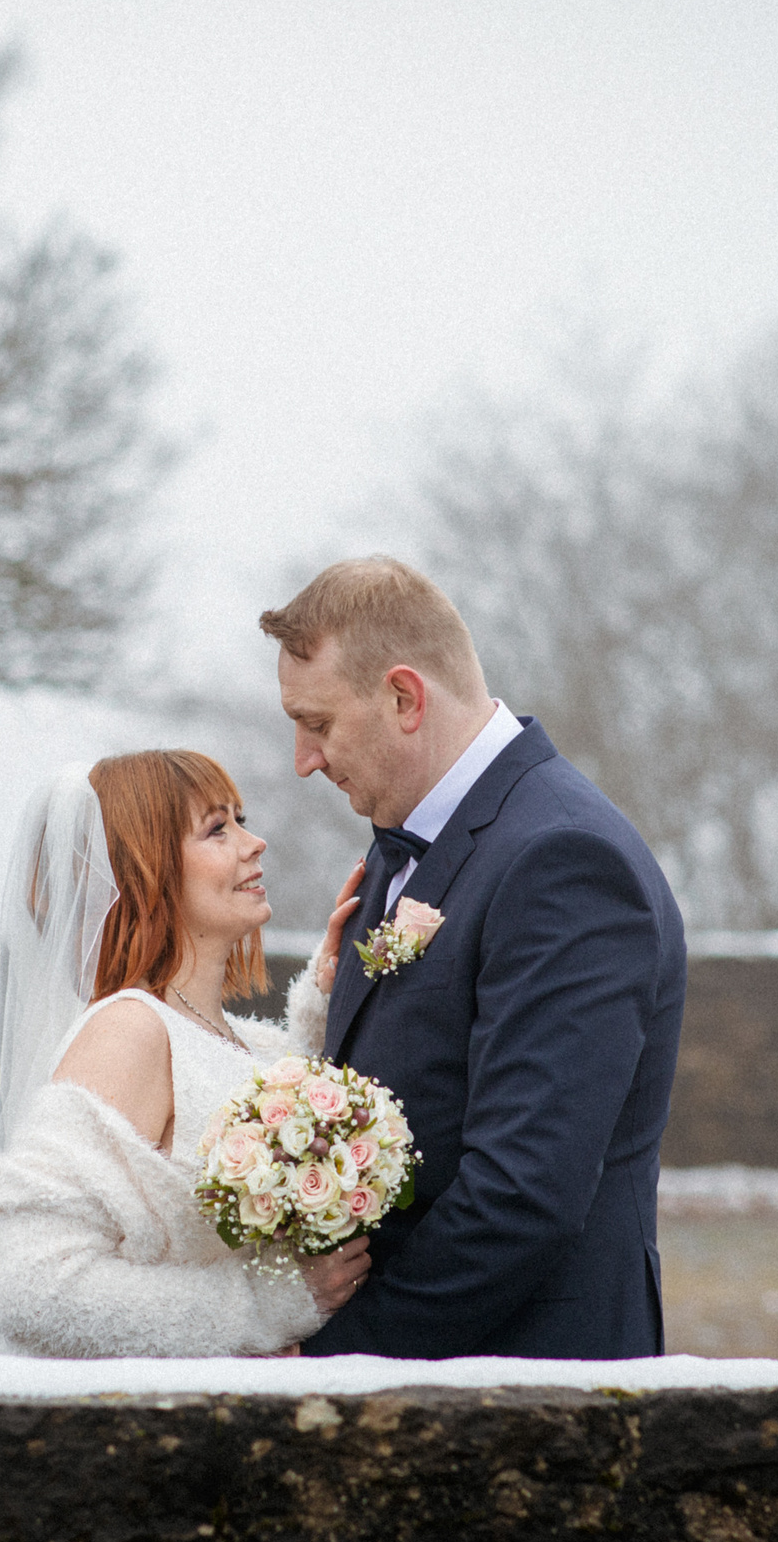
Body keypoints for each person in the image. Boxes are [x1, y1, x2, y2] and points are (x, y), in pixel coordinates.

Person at [264, 555, 686, 1359]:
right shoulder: (400, 845)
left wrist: (334, 1360)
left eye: (316, 723)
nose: (304, 759)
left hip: (533, 1386)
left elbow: (521, 1197)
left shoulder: (563, 859)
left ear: (404, 697)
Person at [0, 750, 371, 1357]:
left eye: (241, 820)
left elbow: (249, 1091)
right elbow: (27, 1283)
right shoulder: (130, 1030)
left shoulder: (241, 1039)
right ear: (147, 871)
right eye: (216, 829)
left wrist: (332, 992)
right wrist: (265, 1306)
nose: (255, 844)